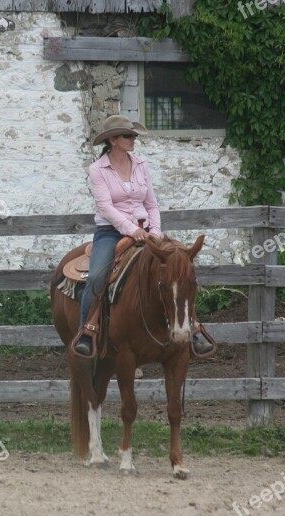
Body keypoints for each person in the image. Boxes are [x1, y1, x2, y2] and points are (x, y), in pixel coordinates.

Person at [75, 115, 212, 356]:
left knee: (180, 272)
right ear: (113, 140)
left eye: (134, 135)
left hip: (148, 232)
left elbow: (152, 204)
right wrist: (132, 230)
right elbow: (105, 207)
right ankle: (88, 330)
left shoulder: (141, 165)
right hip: (111, 232)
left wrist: (155, 233)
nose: (134, 139)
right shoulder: (98, 170)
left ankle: (194, 329)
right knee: (96, 276)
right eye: (129, 136)